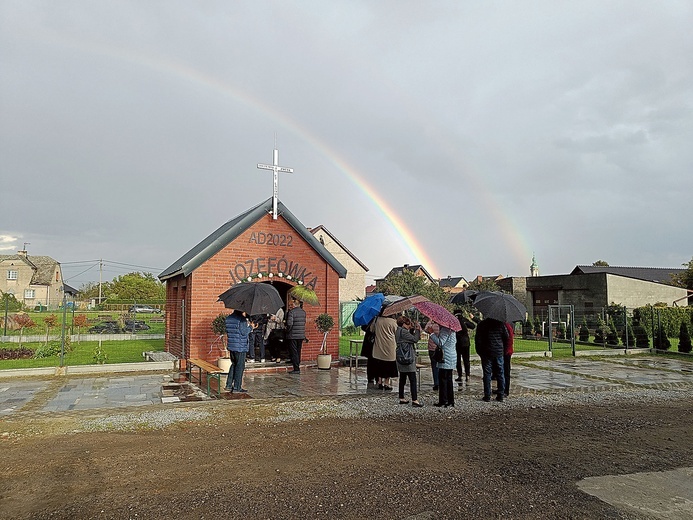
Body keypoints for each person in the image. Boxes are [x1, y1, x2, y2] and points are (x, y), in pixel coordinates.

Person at [475, 317, 508, 402]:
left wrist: (480, 351)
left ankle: (487, 395)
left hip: (486, 352)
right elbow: (506, 337)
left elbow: (478, 340)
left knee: (487, 374)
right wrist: (503, 349)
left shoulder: (482, 324)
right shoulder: (500, 324)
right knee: (500, 373)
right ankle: (500, 394)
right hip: (498, 352)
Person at [224, 309, 255, 393]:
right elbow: (244, 332)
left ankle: (229, 385)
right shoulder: (241, 319)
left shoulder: (228, 318)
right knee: (240, 367)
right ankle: (237, 387)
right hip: (240, 347)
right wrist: (251, 326)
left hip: (232, 345)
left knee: (233, 364)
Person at [395, 316, 423, 407]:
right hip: (408, 357)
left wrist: (412, 329)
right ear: (403, 324)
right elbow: (414, 339)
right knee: (412, 379)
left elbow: (409, 338)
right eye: (408, 323)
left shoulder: (398, 331)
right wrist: (418, 330)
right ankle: (415, 399)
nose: (409, 325)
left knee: (402, 378)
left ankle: (401, 397)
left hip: (401, 357)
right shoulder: (403, 331)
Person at [370, 311, 398, 390]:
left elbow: (372, 329)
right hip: (390, 346)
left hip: (378, 345)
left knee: (379, 363)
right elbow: (397, 332)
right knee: (389, 364)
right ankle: (386, 382)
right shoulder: (393, 322)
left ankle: (379, 381)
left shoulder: (377, 320)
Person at [430, 322, 457, 407]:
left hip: (445, 357)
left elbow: (441, 343)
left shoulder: (445, 330)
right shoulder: (451, 330)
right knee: (449, 379)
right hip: (451, 356)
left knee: (443, 379)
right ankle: (450, 400)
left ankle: (443, 400)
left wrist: (432, 334)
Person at [454, 311, 476, 384]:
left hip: (457, 342)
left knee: (458, 360)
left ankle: (460, 375)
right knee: (466, 360)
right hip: (466, 342)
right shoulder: (464, 320)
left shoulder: (454, 321)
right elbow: (473, 326)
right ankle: (467, 375)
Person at [285, 298, 306, 374]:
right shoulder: (303, 312)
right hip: (301, 335)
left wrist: (287, 330)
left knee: (294, 351)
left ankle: (296, 368)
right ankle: (297, 363)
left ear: (294, 305)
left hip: (293, 335)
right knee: (298, 350)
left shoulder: (292, 312)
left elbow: (289, 324)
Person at [360, 321, 377, 386]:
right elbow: (364, 327)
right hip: (370, 342)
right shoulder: (369, 319)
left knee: (375, 360)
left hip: (377, 341)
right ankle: (371, 377)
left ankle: (376, 377)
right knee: (371, 360)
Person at [425, 320, 440, 391]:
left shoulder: (431, 324)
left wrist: (430, 323)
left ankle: (436, 383)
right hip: (440, 349)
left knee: (434, 366)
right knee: (440, 366)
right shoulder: (442, 325)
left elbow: (426, 329)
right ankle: (441, 382)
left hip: (432, 348)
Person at [502, 321, 514, 398]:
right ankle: (502, 388)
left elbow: (509, 340)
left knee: (506, 371)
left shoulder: (506, 326)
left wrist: (506, 351)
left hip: (506, 352)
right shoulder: (506, 326)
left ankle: (506, 390)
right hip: (504, 351)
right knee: (501, 371)